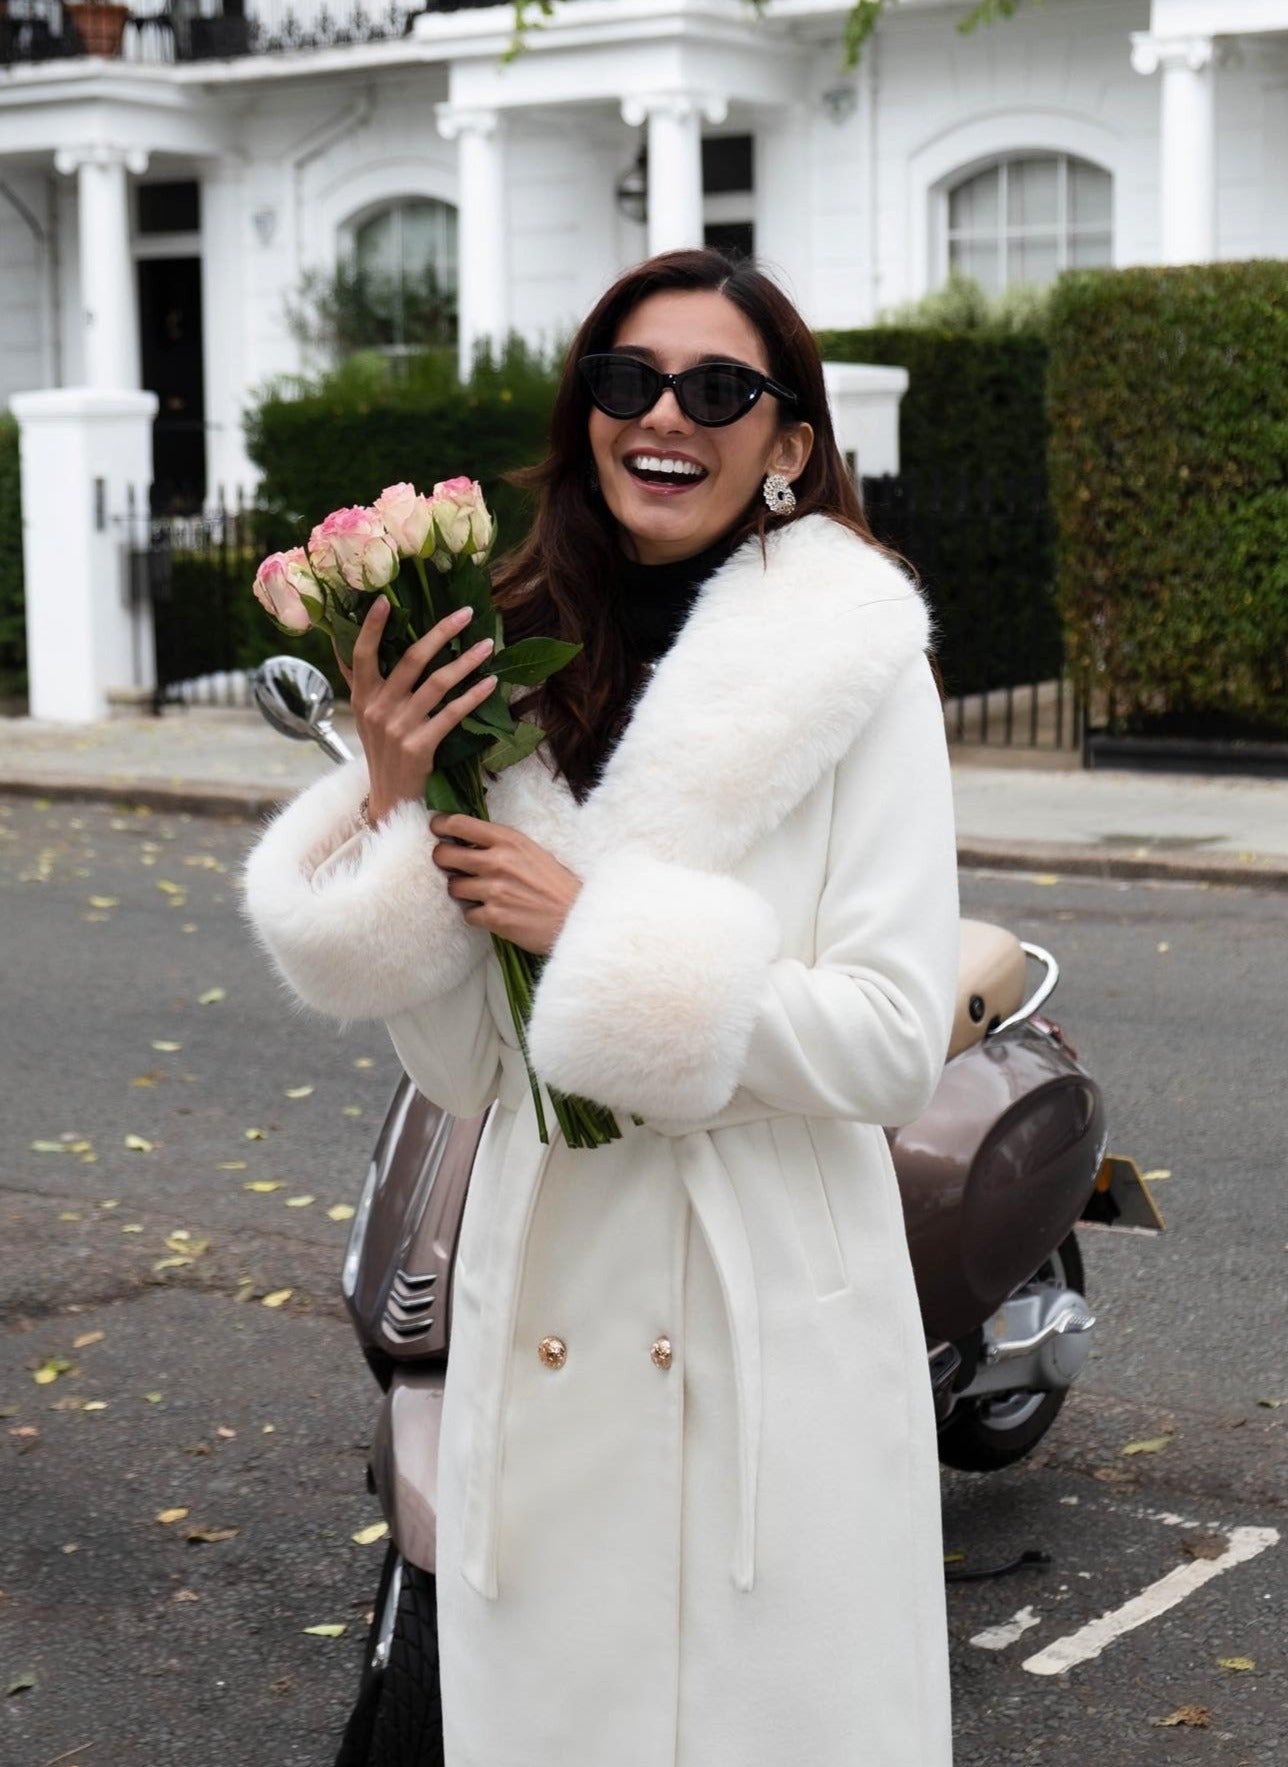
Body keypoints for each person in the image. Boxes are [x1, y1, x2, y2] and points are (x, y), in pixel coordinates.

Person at [243, 247, 960, 1767]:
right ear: (586, 413)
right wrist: (389, 801)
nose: (667, 417)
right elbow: (465, 1066)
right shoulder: (496, 655)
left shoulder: (860, 668)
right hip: (549, 1293)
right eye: (628, 380)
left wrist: (606, 939)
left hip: (764, 1303)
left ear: (790, 445)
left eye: (720, 390)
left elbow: (895, 1041)